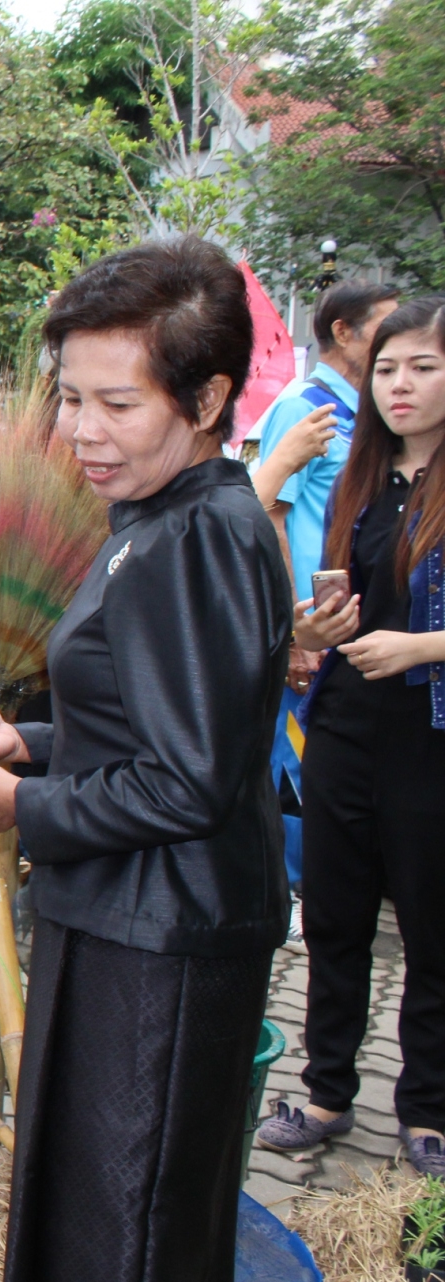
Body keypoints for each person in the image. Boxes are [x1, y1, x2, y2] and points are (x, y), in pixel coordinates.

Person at [0, 236, 290, 1282]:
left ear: (205, 398)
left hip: (167, 944)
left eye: (113, 403)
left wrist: (18, 807)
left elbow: (187, 782)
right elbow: (150, 728)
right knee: (95, 1221)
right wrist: (27, 742)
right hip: (124, 920)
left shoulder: (201, 537)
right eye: (69, 398)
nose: (80, 432)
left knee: (127, 1246)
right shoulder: (153, 517)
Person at [255, 295, 445, 1177]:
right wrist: (312, 628)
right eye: (389, 368)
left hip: (429, 735)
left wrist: (422, 645)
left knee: (430, 925)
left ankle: (427, 1110)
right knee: (333, 917)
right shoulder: (363, 473)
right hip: (341, 723)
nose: (400, 385)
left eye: (423, 367)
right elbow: (339, 595)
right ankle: (328, 1091)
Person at [250, 281, 400, 899]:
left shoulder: (372, 412)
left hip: (350, 626)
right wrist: (293, 630)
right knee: (296, 766)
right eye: (383, 333)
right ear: (342, 331)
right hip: (310, 627)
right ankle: (284, 891)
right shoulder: (306, 408)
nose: (393, 356)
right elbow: (272, 516)